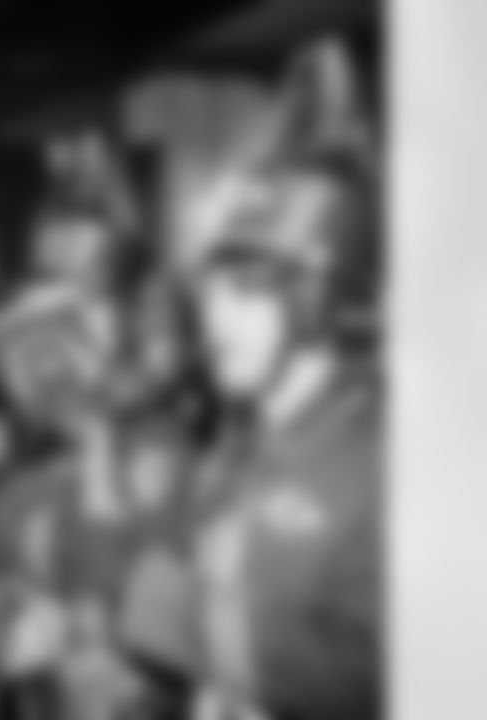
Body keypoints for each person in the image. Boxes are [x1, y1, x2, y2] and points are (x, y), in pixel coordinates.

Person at [179, 150, 381, 720]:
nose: (213, 319)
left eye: (244, 290)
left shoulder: (386, 463)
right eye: (207, 292)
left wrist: (176, 615)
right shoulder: (231, 448)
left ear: (316, 301)